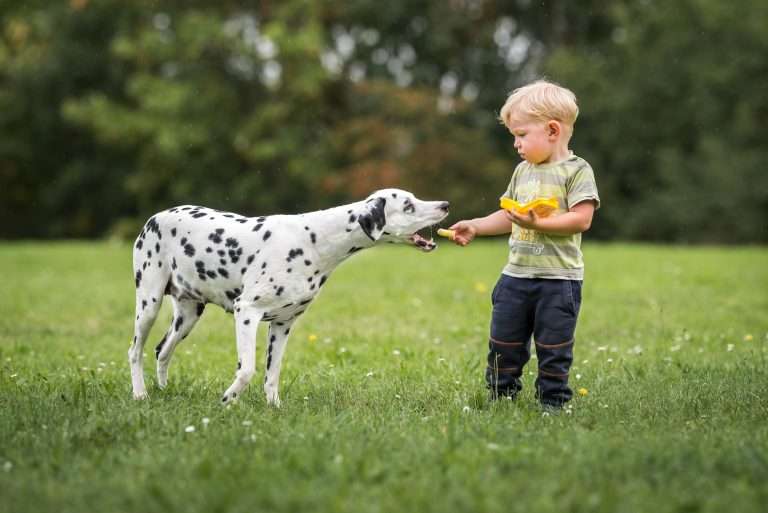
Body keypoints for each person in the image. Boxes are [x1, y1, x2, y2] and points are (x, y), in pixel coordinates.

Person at [449, 79, 600, 408]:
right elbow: (509, 216)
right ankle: (501, 398)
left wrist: (540, 223)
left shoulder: (577, 172)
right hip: (516, 277)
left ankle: (553, 403)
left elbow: (581, 219)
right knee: (503, 343)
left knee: (554, 348)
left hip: (559, 281)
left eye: (521, 135)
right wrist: (476, 225)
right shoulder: (523, 172)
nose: (516, 144)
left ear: (552, 131)